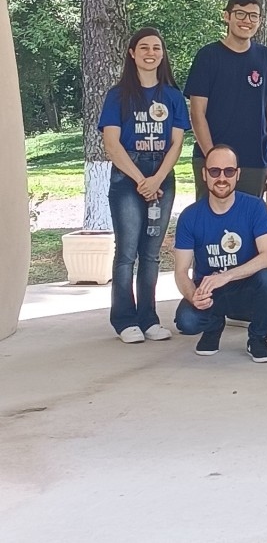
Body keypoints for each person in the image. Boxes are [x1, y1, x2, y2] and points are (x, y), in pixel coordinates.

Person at [100, 27, 191, 344]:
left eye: (156, 48)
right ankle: (124, 319)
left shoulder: (173, 96)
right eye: (144, 48)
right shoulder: (118, 95)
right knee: (126, 252)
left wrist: (157, 179)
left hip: (161, 175)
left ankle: (148, 318)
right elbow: (111, 144)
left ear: (162, 54)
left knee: (151, 253)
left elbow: (177, 143)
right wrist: (141, 180)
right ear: (132, 53)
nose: (151, 53)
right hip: (128, 178)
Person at [173, 145, 267, 362]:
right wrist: (193, 296)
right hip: (210, 291)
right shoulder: (189, 216)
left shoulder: (254, 207)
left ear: (238, 174)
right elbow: (181, 271)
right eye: (214, 171)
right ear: (204, 174)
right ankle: (213, 328)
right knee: (187, 321)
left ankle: (258, 338)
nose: (221, 178)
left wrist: (226, 275)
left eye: (228, 171)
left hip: (245, 286)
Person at [186, 0, 267, 198]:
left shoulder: (266, 58)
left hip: (254, 161)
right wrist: (213, 158)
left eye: (253, 16)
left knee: (249, 226)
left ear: (260, 21)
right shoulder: (208, 56)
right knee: (209, 225)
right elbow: (197, 113)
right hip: (211, 160)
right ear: (227, 16)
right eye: (240, 14)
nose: (247, 20)